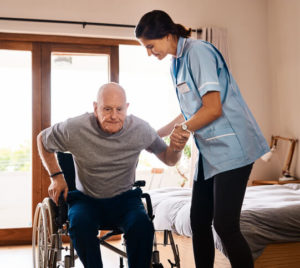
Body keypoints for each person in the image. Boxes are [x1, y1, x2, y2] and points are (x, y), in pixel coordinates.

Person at [135, 10, 270, 268]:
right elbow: (190, 111)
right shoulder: (176, 63)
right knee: (198, 220)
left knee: (225, 225)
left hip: (233, 147)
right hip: (210, 152)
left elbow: (213, 108)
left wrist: (182, 130)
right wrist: (156, 133)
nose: (150, 53)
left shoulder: (198, 52)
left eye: (150, 46)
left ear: (166, 35)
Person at [37, 82, 188, 268]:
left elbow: (169, 159)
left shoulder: (140, 129)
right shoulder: (75, 128)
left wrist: (177, 148)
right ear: (95, 108)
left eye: (119, 109)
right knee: (79, 225)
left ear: (127, 108)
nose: (113, 116)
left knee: (142, 226)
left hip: (125, 200)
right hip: (86, 199)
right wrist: (56, 176)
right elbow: (42, 140)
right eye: (107, 109)